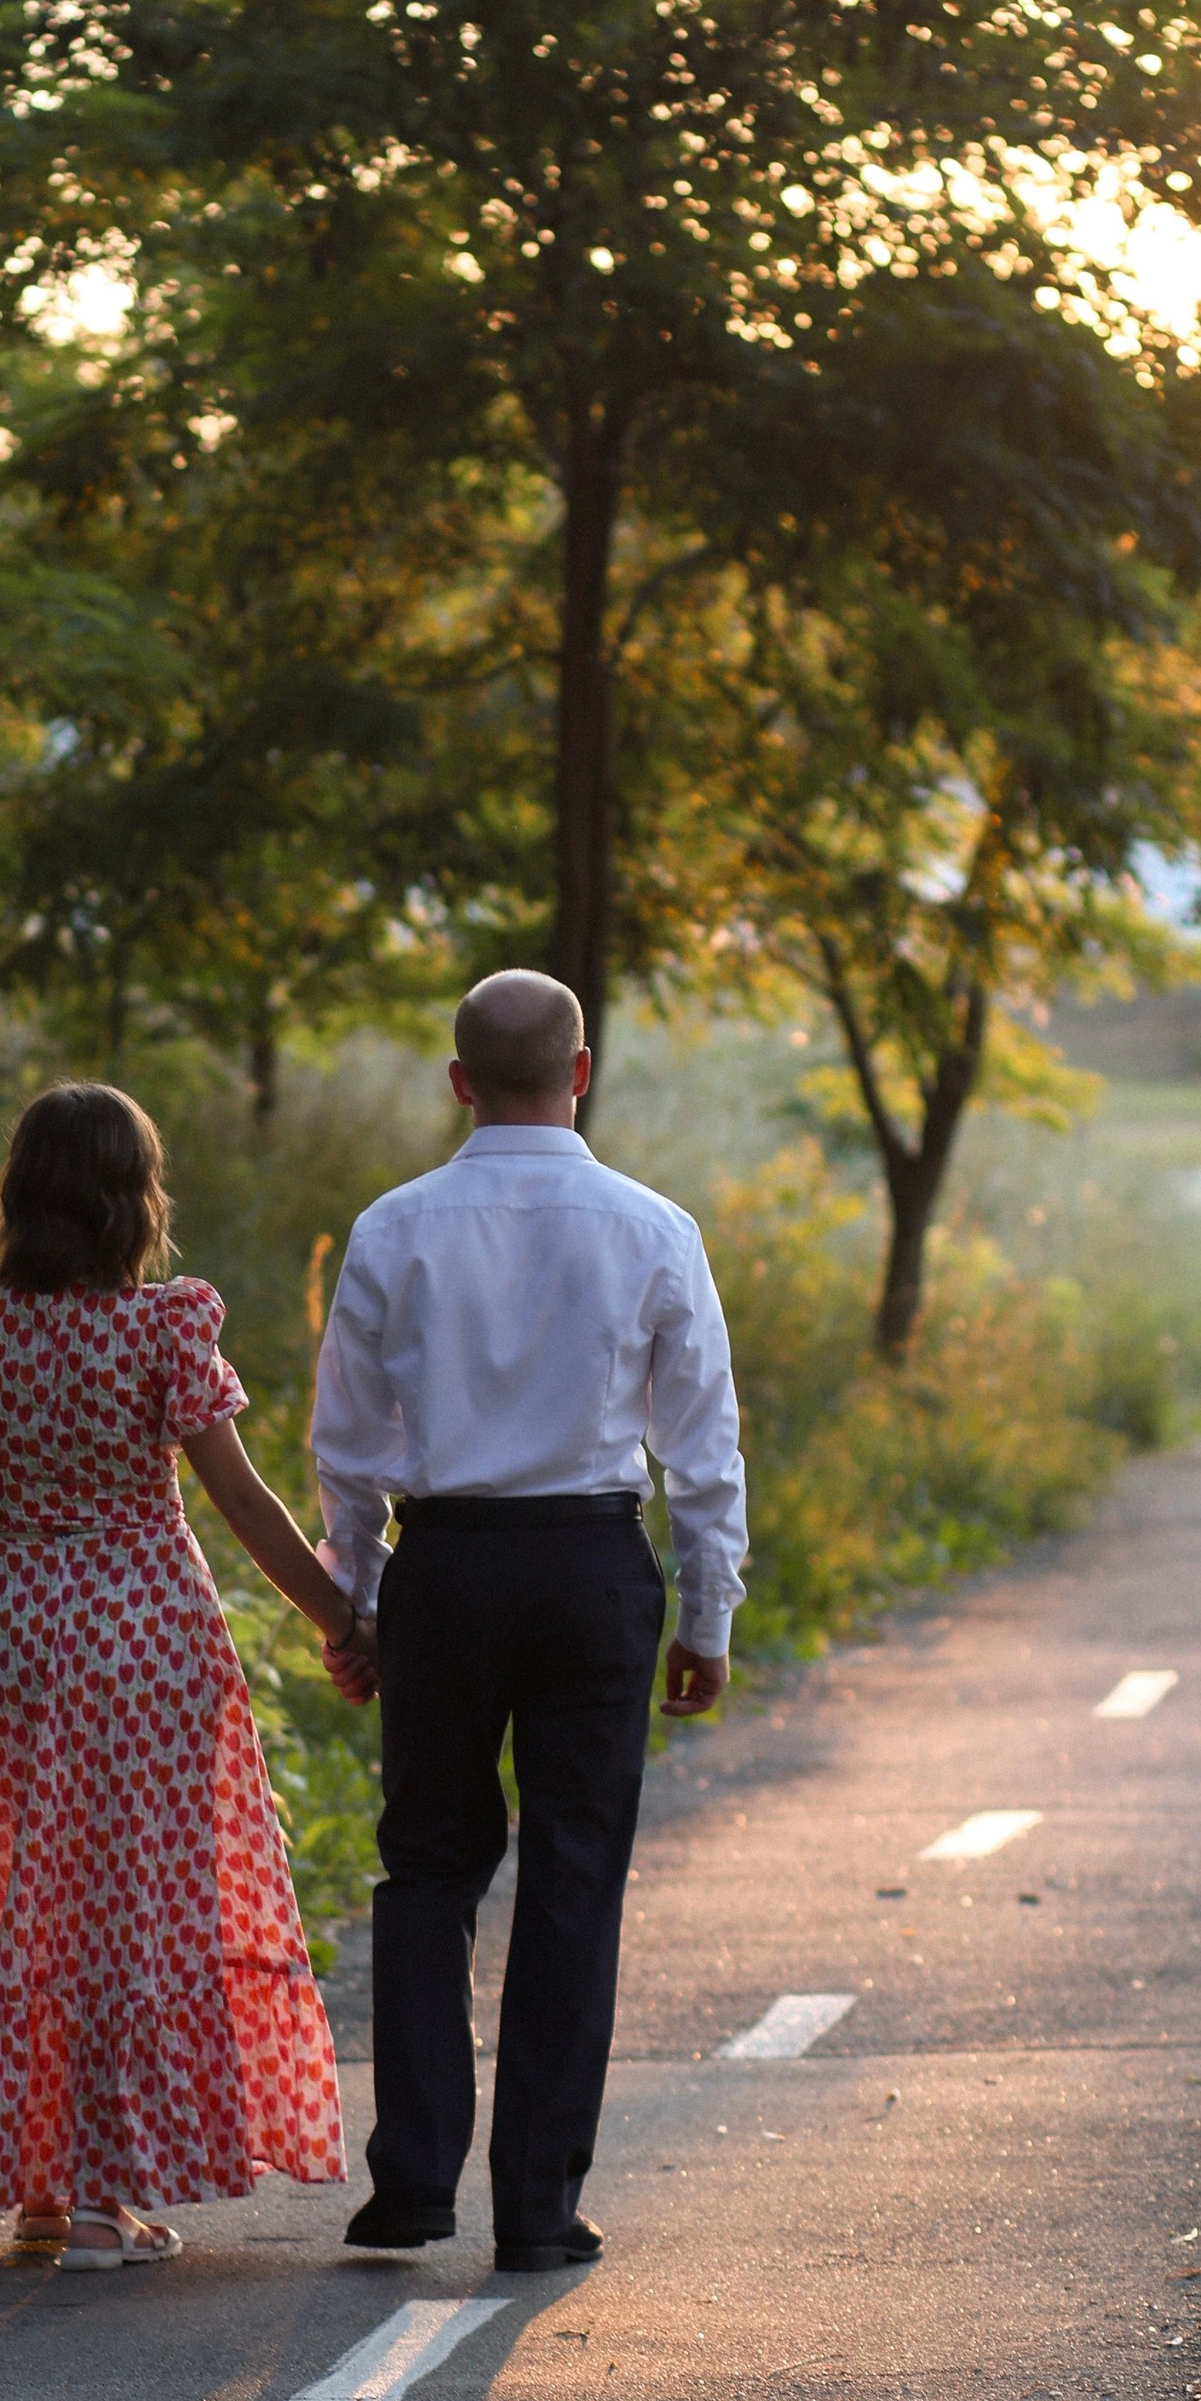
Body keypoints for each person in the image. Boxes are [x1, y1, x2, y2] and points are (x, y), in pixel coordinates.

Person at [311, 971, 746, 2270]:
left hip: (445, 1567)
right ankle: (539, 2203)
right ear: (582, 1069)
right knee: (572, 1872)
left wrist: (362, 1593)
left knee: (428, 1860)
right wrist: (707, 1613)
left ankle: (411, 2181)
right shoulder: (653, 1228)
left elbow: (347, 1447)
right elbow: (702, 1445)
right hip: (588, 1570)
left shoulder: (394, 1228)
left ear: (457, 1080)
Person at [0, 1082, 354, 2268]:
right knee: (139, 1912)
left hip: (24, 1635)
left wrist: (7, 1625)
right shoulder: (161, 1328)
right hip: (151, 1637)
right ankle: (107, 2197)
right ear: (133, 1202)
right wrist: (344, 1615)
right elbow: (239, 1499)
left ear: (20, 1194)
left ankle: (41, 2190)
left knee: (34, 1906)